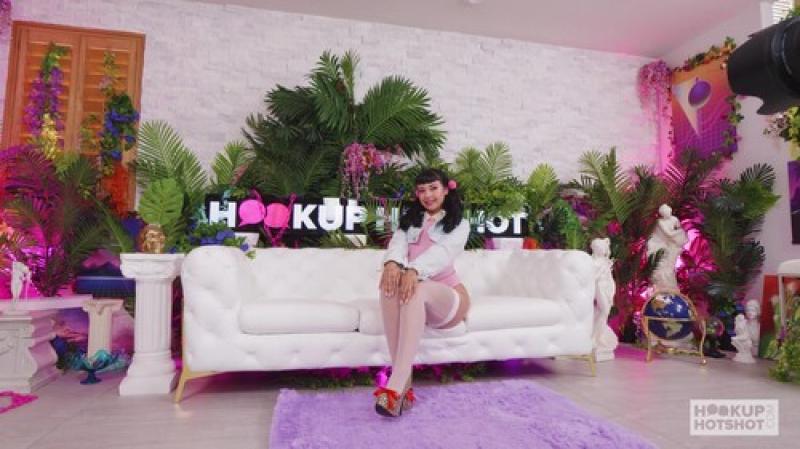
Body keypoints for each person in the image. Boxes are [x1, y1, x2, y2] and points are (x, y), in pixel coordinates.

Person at [375, 168, 471, 417]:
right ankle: (402, 388)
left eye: (433, 188)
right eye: (421, 190)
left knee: (416, 289)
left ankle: (394, 386)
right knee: (388, 286)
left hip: (449, 298)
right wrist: (392, 264)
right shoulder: (410, 220)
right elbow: (397, 245)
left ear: (446, 190)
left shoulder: (460, 224)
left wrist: (414, 269)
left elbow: (442, 254)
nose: (428, 195)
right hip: (417, 291)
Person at [646, 204, 688, 291]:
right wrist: (678, 233)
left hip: (670, 243)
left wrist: (679, 233)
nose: (667, 213)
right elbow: (668, 233)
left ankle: (670, 286)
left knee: (669, 267)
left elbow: (678, 228)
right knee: (660, 266)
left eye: (668, 211)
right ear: (662, 214)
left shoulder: (674, 219)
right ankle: (661, 286)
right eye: (664, 212)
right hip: (660, 243)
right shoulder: (660, 222)